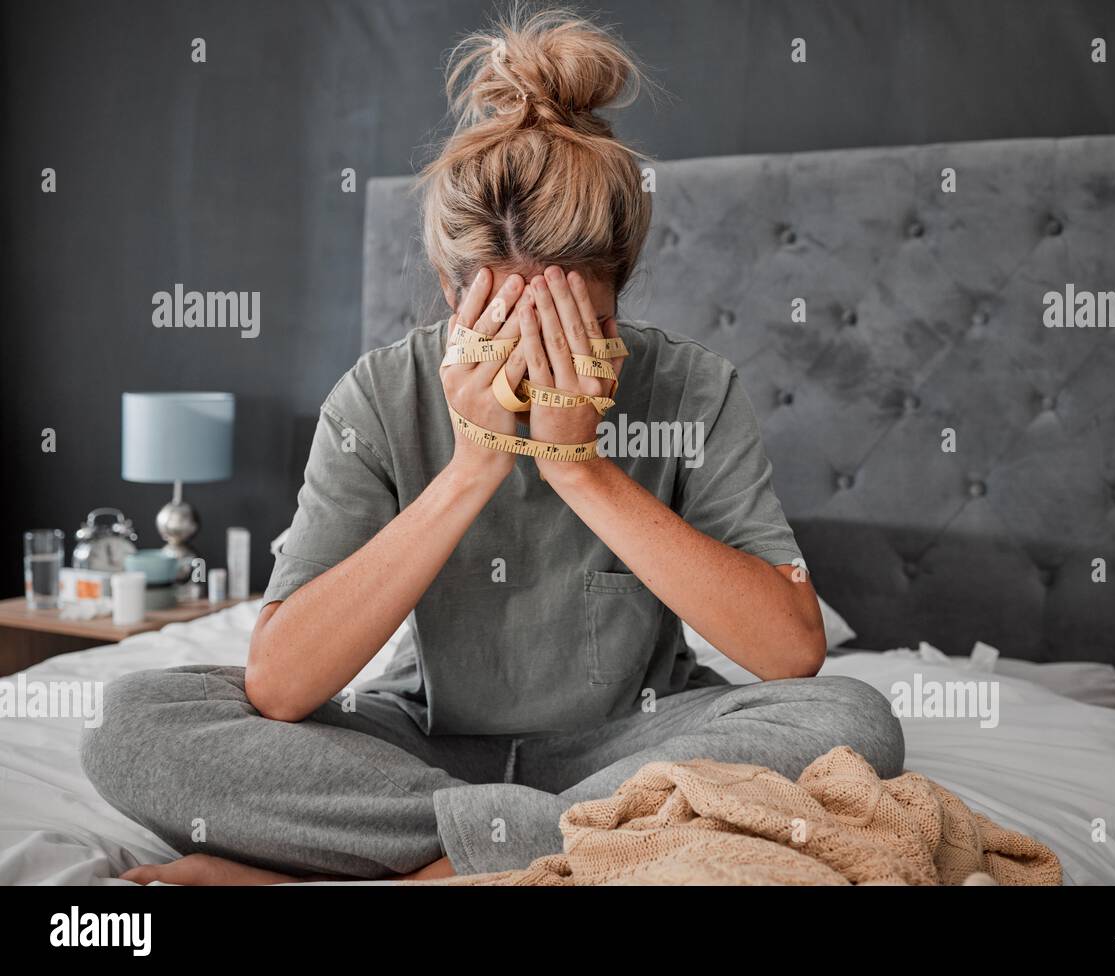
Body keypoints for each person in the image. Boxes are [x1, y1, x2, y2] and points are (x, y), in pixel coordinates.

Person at [81, 8, 903, 885]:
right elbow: (282, 685)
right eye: (510, 330)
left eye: (575, 327)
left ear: (619, 286)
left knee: (853, 720)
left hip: (636, 739)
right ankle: (575, 851)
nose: (542, 359)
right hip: (417, 749)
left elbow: (789, 654)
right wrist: (474, 462)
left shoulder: (695, 389)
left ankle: (430, 873)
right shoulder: (378, 395)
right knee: (133, 720)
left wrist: (578, 469)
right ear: (449, 290)